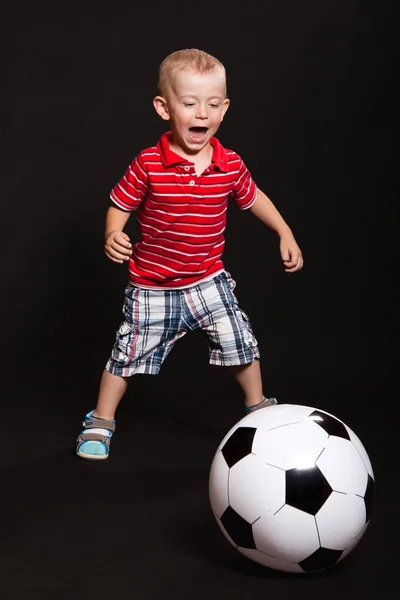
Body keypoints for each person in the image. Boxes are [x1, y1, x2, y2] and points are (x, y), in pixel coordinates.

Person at [76, 48, 303, 460]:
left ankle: (259, 407)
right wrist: (113, 232)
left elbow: (254, 200)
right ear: (164, 108)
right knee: (127, 355)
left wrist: (284, 231)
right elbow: (120, 205)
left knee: (240, 342)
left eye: (213, 104)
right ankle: (101, 420)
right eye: (190, 103)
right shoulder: (148, 163)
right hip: (153, 286)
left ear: (225, 109)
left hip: (207, 280)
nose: (203, 113)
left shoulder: (229, 164)